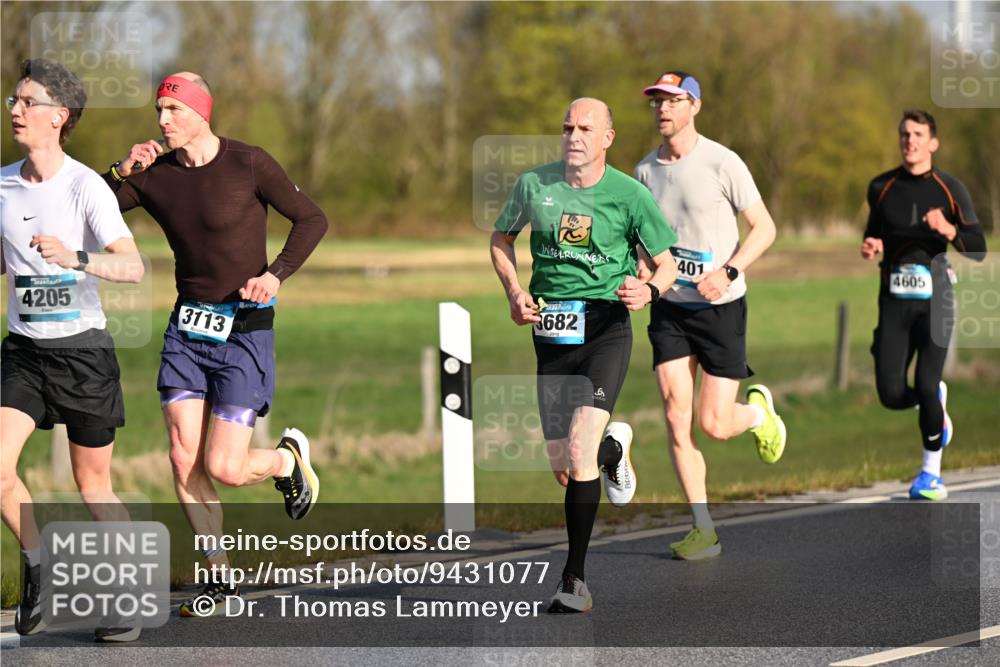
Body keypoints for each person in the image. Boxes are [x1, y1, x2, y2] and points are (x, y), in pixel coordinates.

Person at [104, 72, 328, 615]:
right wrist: (120, 170)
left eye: (173, 111)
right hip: (187, 329)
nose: (162, 121)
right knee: (184, 458)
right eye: (158, 110)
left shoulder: (249, 162)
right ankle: (218, 577)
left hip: (245, 329)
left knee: (225, 467)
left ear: (201, 111)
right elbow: (84, 207)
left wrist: (275, 275)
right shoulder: (152, 176)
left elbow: (311, 219)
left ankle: (285, 461)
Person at [490, 97, 678, 613]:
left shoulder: (630, 194)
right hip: (551, 333)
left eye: (585, 128)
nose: (574, 135)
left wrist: (650, 292)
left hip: (605, 329)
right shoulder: (534, 185)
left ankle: (573, 580)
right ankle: (612, 452)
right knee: (565, 466)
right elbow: (501, 239)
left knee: (577, 450)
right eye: (567, 126)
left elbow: (665, 264)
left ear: (607, 139)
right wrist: (513, 292)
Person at [1, 59, 145, 641]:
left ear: (57, 117)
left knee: (93, 487)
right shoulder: (3, 185)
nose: (14, 109)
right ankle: (40, 567)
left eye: (26, 101)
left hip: (83, 352)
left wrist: (77, 258)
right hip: (24, 352)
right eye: (13, 99)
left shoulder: (87, 187)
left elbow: (133, 267)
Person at [633, 71, 786, 561]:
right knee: (677, 418)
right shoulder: (643, 172)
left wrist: (730, 268)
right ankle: (703, 529)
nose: (662, 109)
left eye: (672, 101)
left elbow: (765, 228)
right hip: (670, 309)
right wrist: (641, 271)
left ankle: (760, 415)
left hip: (721, 306)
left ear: (694, 106)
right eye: (656, 101)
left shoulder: (724, 162)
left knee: (714, 424)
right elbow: (642, 240)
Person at [862, 110, 986, 500]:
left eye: (918, 134)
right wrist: (873, 244)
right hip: (894, 300)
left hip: (937, 300)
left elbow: (978, 248)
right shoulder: (881, 187)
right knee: (890, 393)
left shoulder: (950, 189)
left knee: (927, 383)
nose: (909, 140)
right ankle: (935, 406)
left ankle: (930, 475)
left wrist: (948, 229)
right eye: (904, 134)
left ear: (933, 143)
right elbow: (873, 232)